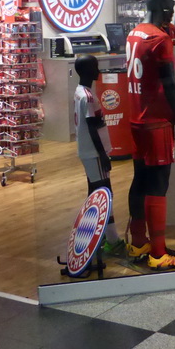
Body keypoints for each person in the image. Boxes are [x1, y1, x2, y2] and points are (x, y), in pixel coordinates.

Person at [124, 0, 175, 270]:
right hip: (157, 120)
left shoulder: (135, 33)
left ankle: (139, 242)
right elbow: (170, 82)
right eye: (171, 6)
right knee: (159, 184)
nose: (173, 11)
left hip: (136, 117)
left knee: (139, 179)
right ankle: (159, 252)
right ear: (164, 8)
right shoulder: (159, 40)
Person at [73, 54, 122, 252]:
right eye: (95, 67)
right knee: (104, 196)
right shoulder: (88, 97)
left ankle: (94, 237)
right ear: (86, 71)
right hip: (94, 154)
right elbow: (93, 127)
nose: (98, 71)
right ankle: (112, 239)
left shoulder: (79, 92)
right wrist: (103, 154)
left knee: (95, 195)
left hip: (87, 152)